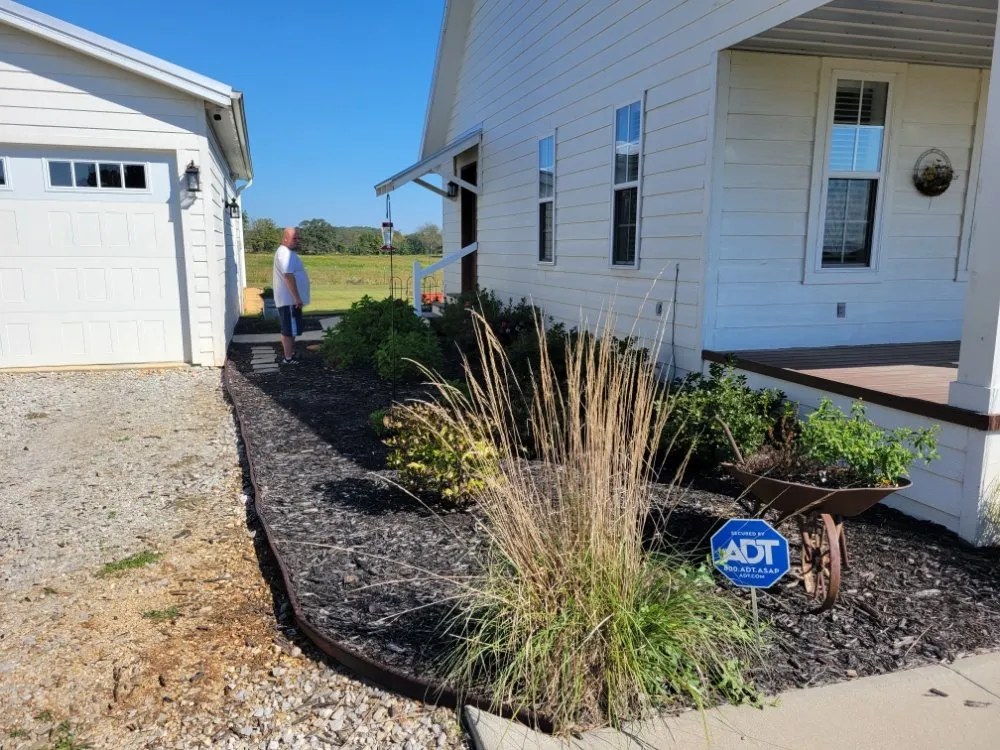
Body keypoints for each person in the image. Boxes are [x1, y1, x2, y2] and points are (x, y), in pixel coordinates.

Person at [272, 227, 310, 365]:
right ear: (285, 239)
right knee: (288, 329)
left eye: (298, 238)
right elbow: (288, 276)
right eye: (295, 238)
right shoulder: (284, 253)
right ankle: (288, 358)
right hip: (289, 300)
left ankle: (291, 353)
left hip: (291, 300)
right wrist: (297, 298)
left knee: (292, 329)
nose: (297, 241)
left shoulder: (288, 253)